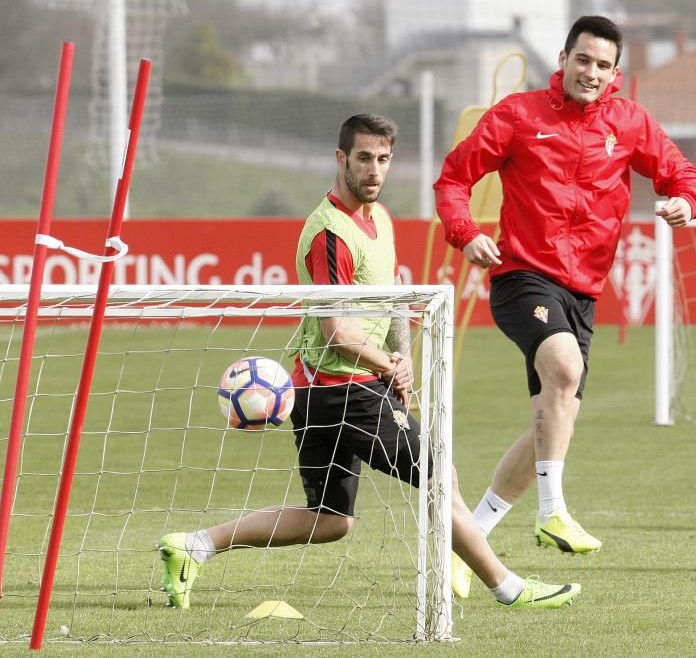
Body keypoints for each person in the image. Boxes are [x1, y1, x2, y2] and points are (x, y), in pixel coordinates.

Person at [157, 114, 580, 611]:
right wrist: (387, 365)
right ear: (341, 159)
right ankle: (508, 588)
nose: (374, 170)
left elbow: (394, 297)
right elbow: (338, 330)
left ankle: (194, 546)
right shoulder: (329, 233)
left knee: (329, 520)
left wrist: (402, 359)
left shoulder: (379, 218)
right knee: (440, 473)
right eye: (363, 158)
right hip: (340, 387)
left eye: (383, 159)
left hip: (333, 387)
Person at [433, 16, 696, 595]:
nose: (591, 72)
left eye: (603, 65)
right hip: (522, 277)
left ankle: (464, 544)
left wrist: (686, 199)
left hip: (583, 291)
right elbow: (454, 179)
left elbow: (681, 172)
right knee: (564, 369)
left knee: (552, 424)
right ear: (563, 58)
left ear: (616, 73)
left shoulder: (628, 121)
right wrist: (465, 232)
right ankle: (552, 512)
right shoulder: (517, 114)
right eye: (582, 60)